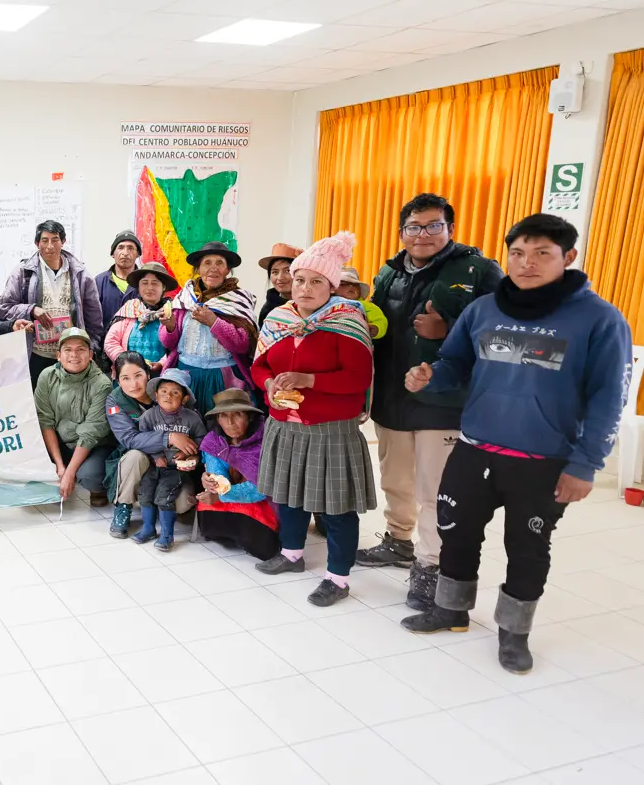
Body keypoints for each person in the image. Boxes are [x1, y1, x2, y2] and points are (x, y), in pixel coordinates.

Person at [401, 214, 632, 674]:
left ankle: (514, 632)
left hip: (543, 461)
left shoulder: (599, 318)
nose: (526, 263)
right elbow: (456, 364)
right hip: (473, 448)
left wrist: (586, 465)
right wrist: (429, 376)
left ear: (568, 257)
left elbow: (611, 397)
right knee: (456, 534)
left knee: (527, 548)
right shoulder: (485, 309)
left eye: (541, 253)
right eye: (517, 253)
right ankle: (451, 610)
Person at [357, 193, 503, 612]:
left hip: (445, 401)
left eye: (433, 225)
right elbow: (379, 324)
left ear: (450, 229)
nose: (423, 235)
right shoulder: (388, 272)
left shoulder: (478, 270)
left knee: (435, 490)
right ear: (402, 232)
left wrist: (449, 329)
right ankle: (399, 541)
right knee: (396, 481)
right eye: (414, 227)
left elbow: (503, 332)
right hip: (392, 398)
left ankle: (430, 564)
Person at [252, 232, 377, 607]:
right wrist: (269, 382)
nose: (305, 288)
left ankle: (338, 577)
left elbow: (358, 379)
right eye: (300, 279)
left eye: (316, 281)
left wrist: (310, 380)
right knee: (288, 496)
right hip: (283, 423)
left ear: (332, 286)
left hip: (329, 429)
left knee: (337, 506)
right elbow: (258, 367)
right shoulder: (278, 318)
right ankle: (291, 554)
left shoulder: (346, 321)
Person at [0, 220, 105, 386]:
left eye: (55, 240)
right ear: (36, 243)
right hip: (34, 354)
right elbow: (4, 308)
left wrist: (91, 348)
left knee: (68, 406)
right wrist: (31, 310)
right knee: (37, 405)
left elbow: (94, 318)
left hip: (71, 357)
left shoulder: (81, 274)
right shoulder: (22, 272)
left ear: (63, 242)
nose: (50, 246)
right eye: (45, 240)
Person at [159, 241, 259, 416]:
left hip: (223, 377)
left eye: (219, 263)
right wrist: (170, 327)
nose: (213, 268)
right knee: (188, 425)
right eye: (207, 263)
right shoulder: (184, 299)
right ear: (198, 268)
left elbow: (243, 344)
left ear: (228, 270)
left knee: (221, 426)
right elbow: (168, 342)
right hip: (187, 376)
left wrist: (214, 322)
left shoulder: (238, 301)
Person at [197, 389, 279, 560]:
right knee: (206, 504)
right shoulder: (214, 441)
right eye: (223, 416)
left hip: (263, 498)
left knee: (257, 517)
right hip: (230, 492)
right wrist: (210, 481)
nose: (230, 422)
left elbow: (263, 487)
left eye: (238, 414)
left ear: (249, 417)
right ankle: (227, 534)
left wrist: (223, 497)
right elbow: (217, 473)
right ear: (217, 419)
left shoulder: (266, 441)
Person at [36, 327, 115, 505]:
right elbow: (45, 421)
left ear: (91, 355)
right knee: (30, 462)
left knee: (89, 476)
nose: (74, 355)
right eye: (68, 350)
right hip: (62, 442)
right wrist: (60, 465)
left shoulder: (102, 384)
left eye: (81, 349)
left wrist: (70, 472)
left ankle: (98, 488)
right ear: (58, 355)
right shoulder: (47, 377)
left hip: (94, 446)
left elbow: (90, 433)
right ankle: (62, 471)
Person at [130, 368, 205, 552]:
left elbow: (202, 440)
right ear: (156, 395)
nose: (168, 396)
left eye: (175, 392)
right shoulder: (149, 416)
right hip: (154, 466)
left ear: (184, 398)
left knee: (165, 495)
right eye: (163, 391)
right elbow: (142, 439)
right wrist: (156, 456)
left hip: (177, 469)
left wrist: (188, 455)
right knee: (146, 492)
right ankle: (148, 529)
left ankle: (167, 535)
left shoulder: (192, 418)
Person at [105, 353, 178, 538]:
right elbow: (129, 438)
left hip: (170, 459)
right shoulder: (115, 401)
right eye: (125, 378)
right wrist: (168, 437)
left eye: (138, 375)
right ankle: (123, 506)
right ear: (117, 379)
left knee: (183, 504)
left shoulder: (164, 391)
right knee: (134, 455)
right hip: (138, 458)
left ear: (148, 373)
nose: (133, 384)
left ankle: (155, 505)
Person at [103, 262, 177, 373]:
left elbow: (178, 345)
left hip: (162, 379)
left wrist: (162, 363)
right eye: (144, 283)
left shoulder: (173, 312)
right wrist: (126, 362)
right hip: (128, 375)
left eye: (155, 283)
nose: (149, 287)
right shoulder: (129, 309)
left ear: (164, 287)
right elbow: (111, 342)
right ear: (139, 286)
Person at [95, 230, 142, 336]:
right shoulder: (99, 282)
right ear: (113, 254)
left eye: (130, 248)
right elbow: (92, 319)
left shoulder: (144, 283)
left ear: (138, 254)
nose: (125, 253)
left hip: (135, 346)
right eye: (120, 247)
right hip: (105, 346)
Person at [256, 243, 302, 326]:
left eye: (287, 271)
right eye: (275, 272)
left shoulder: (314, 304)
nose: (280, 277)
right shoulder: (268, 310)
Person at [337, 266, 388, 340]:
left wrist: (376, 328)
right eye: (343, 284)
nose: (351, 286)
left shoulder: (367, 306)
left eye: (355, 284)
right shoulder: (325, 303)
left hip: (357, 342)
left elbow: (381, 320)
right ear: (332, 289)